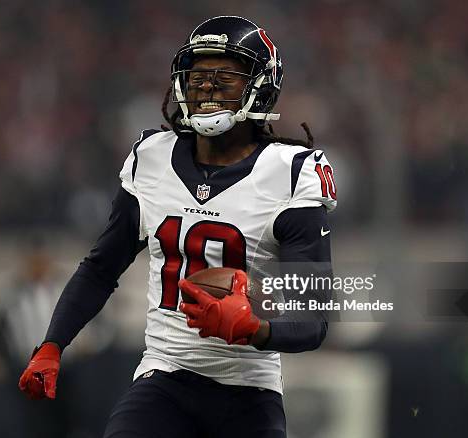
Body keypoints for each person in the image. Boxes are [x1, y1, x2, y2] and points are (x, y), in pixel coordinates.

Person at [18, 15, 337, 438]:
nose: (206, 87)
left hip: (249, 391)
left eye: (224, 77)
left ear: (260, 86)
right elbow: (101, 268)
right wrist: (53, 344)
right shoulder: (151, 159)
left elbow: (314, 316)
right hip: (165, 378)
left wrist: (254, 328)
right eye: (198, 76)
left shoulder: (293, 173)